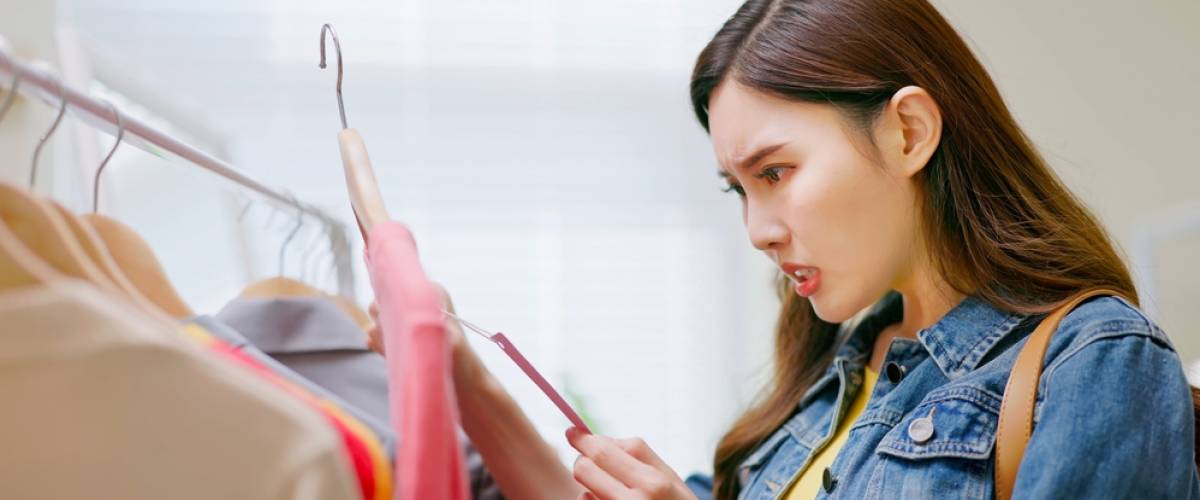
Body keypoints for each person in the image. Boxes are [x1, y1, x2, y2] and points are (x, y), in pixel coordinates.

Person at [370, 0, 1200, 498]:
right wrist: (463, 372)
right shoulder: (824, 384)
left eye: (776, 173)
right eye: (738, 189)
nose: (758, 230)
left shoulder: (1099, 364)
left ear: (909, 132)